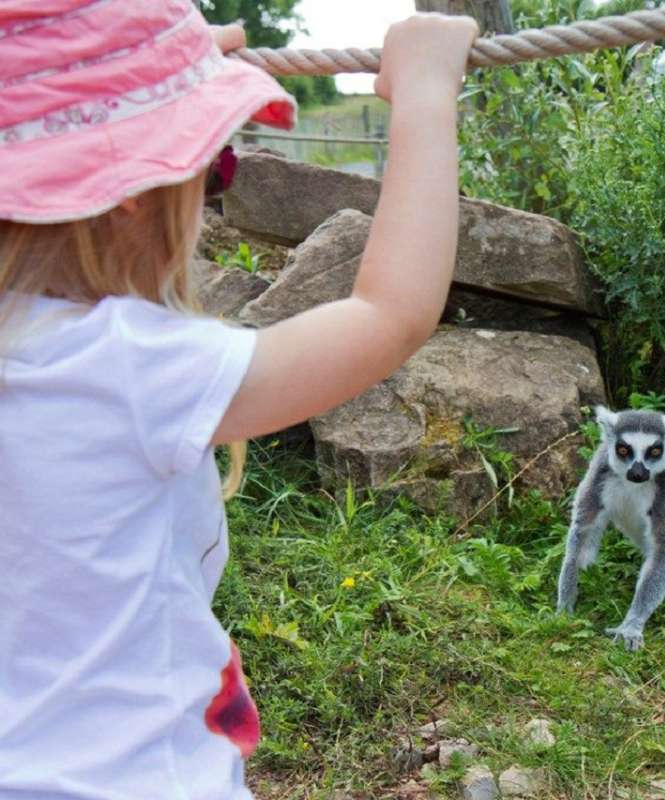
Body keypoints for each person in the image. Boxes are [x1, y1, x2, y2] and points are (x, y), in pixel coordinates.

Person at [0, 2, 478, 799]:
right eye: (212, 164)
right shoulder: (123, 364)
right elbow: (389, 315)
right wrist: (427, 96)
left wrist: (164, 69)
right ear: (129, 190)